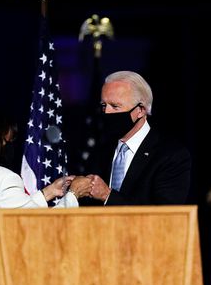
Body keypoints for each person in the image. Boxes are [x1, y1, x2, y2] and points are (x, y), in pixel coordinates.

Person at [0, 107, 92, 216]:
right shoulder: (4, 177)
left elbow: (10, 206)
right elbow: (40, 224)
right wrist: (73, 194)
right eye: (6, 141)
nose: (8, 146)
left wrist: (49, 192)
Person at [77, 70, 191, 206]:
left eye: (115, 106)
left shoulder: (171, 155)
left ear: (141, 110)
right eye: (103, 105)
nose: (106, 112)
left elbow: (164, 217)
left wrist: (107, 195)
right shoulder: (101, 151)